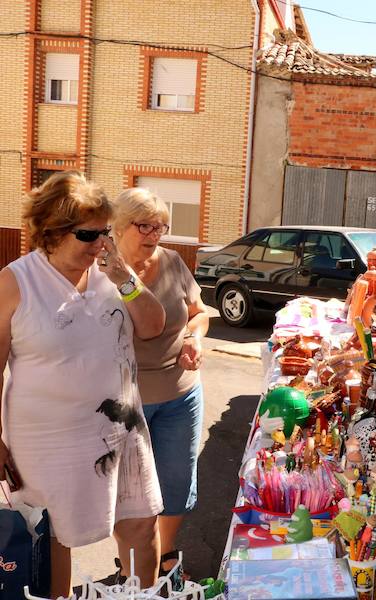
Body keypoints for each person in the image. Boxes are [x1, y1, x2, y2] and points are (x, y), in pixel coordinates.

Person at [0, 172, 165, 597]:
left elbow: (152, 327)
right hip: (48, 438)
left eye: (104, 232)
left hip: (122, 427)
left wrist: (125, 277)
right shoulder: (16, 282)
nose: (100, 244)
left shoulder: (112, 272)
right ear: (52, 232)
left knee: (141, 523)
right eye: (88, 234)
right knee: (53, 538)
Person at [111, 188, 209, 581]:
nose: (154, 235)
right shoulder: (100, 272)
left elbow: (199, 312)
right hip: (124, 401)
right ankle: (131, 565)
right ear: (119, 226)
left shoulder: (171, 262)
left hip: (180, 394)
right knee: (126, 490)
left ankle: (166, 554)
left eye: (161, 227)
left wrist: (193, 337)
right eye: (145, 226)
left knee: (176, 481)